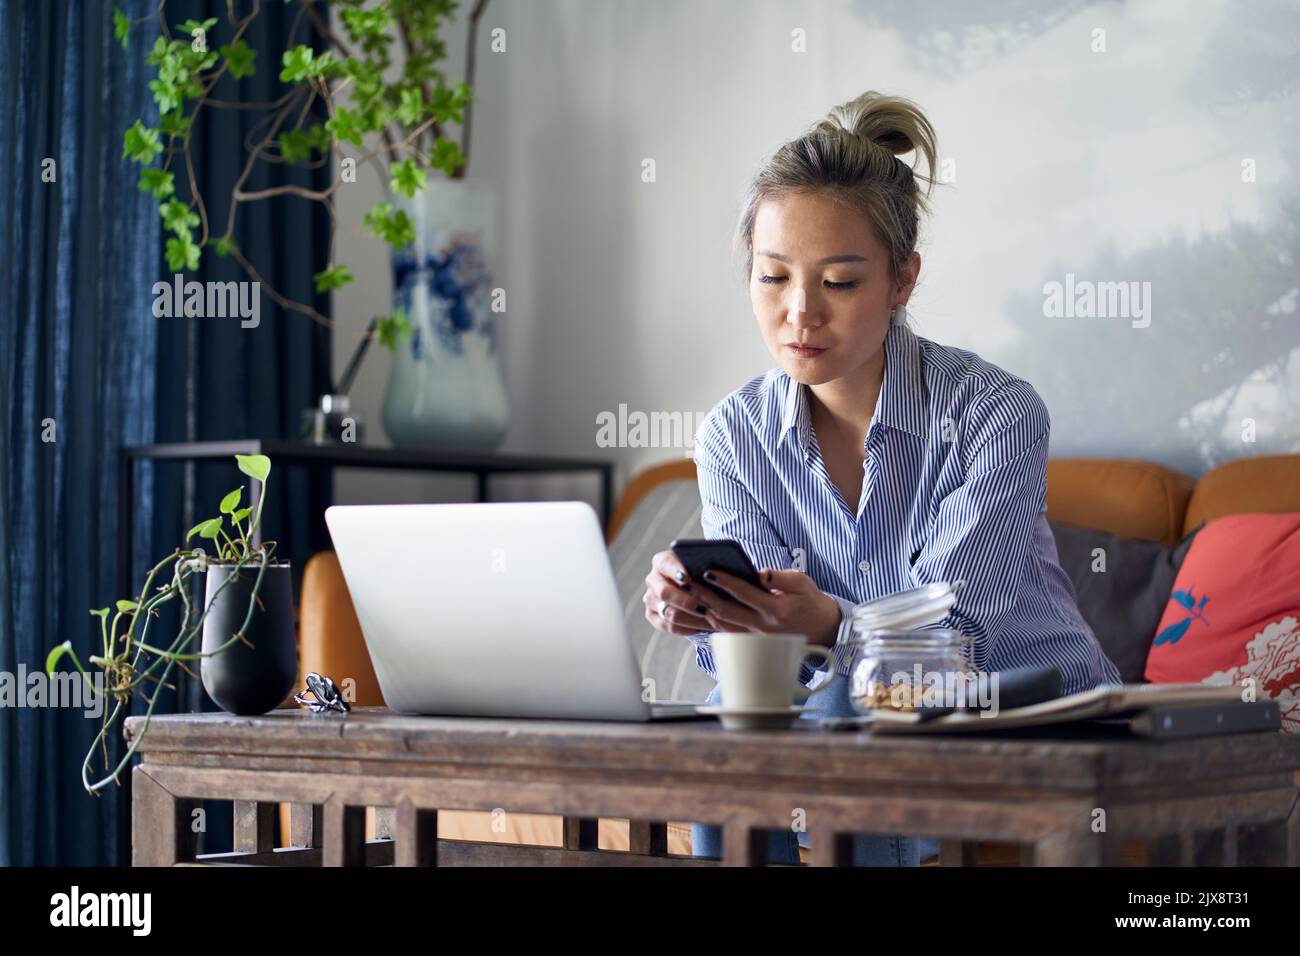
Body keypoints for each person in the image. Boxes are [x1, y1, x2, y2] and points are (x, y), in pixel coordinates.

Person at [642, 90, 1121, 865]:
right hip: (853, 719)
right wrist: (708, 612)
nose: (800, 313)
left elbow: (953, 637)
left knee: (851, 701)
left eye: (839, 283)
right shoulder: (734, 432)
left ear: (903, 281)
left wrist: (829, 624)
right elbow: (768, 657)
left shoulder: (996, 412)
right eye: (772, 278)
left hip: (1034, 723)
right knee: (743, 704)